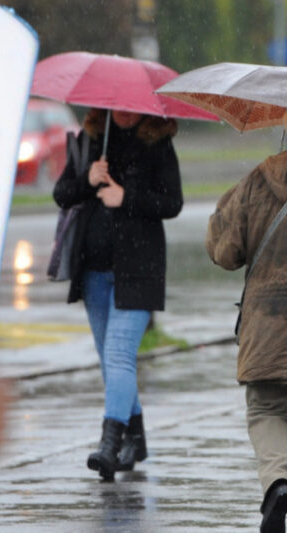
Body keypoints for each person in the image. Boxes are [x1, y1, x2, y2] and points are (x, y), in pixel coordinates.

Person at [53, 108, 182, 481]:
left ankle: (110, 445)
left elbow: (172, 203)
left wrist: (126, 196)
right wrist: (87, 179)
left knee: (118, 355)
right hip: (93, 273)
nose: (124, 114)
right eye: (117, 108)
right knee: (110, 361)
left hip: (140, 271)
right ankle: (135, 439)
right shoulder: (90, 140)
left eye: (131, 109)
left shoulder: (158, 144)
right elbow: (61, 194)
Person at [206, 152, 287, 533]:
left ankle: (278, 484)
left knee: (266, 410)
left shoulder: (258, 180)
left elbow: (225, 252)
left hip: (267, 325)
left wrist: (224, 211)